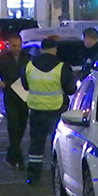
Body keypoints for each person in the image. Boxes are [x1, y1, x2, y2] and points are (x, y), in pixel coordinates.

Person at [21, 37, 77, 184]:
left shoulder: (29, 66)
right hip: (56, 110)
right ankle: (57, 175)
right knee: (57, 144)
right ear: (55, 49)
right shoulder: (62, 67)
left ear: (41, 49)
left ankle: (33, 177)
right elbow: (71, 90)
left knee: (36, 145)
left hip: (36, 110)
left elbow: (25, 86)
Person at [0, 33, 31, 170]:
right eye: (14, 46)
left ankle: (11, 153)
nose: (16, 48)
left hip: (24, 96)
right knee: (13, 126)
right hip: (10, 95)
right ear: (9, 45)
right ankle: (18, 158)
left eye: (18, 46)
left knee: (21, 126)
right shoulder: (3, 59)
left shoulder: (27, 58)